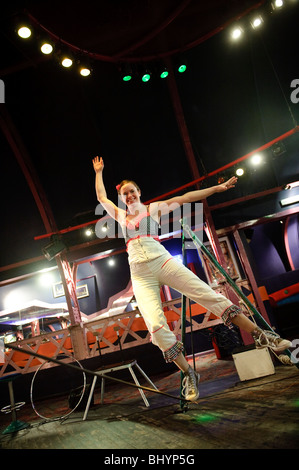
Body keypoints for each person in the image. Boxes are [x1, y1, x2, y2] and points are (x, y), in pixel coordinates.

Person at [92, 156, 292, 401]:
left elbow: (185, 198)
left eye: (131, 191)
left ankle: (262, 335)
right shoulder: (120, 217)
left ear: (139, 192)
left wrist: (217, 189)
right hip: (140, 273)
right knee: (155, 326)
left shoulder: (152, 209)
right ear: (122, 198)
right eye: (125, 194)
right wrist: (99, 172)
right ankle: (188, 373)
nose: (129, 196)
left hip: (161, 260)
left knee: (206, 294)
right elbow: (102, 197)